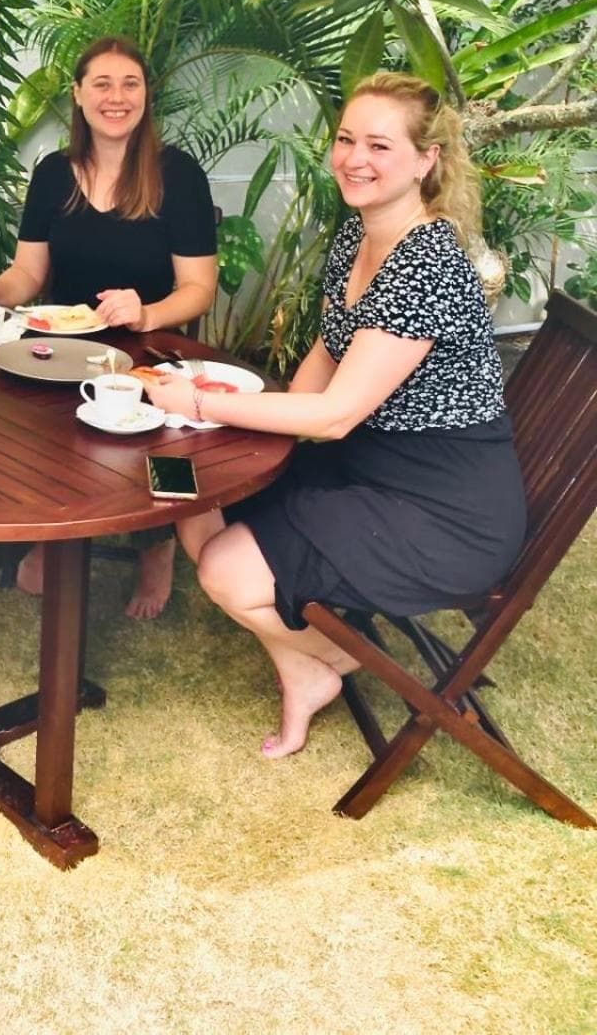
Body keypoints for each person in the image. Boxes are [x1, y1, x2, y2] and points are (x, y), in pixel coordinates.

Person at [144, 72, 527, 760]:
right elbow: (327, 352)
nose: (354, 158)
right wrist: (257, 425)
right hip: (365, 466)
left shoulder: (428, 263)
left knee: (225, 570)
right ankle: (305, 665)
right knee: (185, 488)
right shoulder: (359, 234)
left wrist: (199, 402)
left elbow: (335, 415)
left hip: (442, 510)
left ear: (426, 160)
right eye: (347, 139)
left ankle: (328, 659)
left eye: (380, 145)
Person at [0, 36, 218, 617]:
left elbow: (198, 288)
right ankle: (54, 534)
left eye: (130, 83)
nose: (116, 96)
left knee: (147, 426)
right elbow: (28, 274)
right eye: (101, 84)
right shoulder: (53, 173)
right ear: (78, 95)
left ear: (146, 95)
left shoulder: (178, 174)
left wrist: (146, 312)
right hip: (61, 346)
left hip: (150, 345)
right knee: (15, 409)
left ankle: (156, 544)